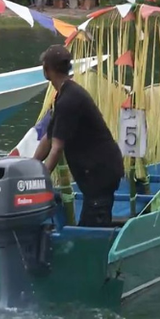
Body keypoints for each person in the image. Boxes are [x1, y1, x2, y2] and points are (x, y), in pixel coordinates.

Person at [33, 45, 124, 227]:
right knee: (92, 221)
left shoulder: (69, 99)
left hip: (100, 173)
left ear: (47, 69)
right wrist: (30, 167)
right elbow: (48, 139)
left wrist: (39, 180)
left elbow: (57, 148)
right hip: (97, 171)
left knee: (92, 228)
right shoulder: (63, 96)